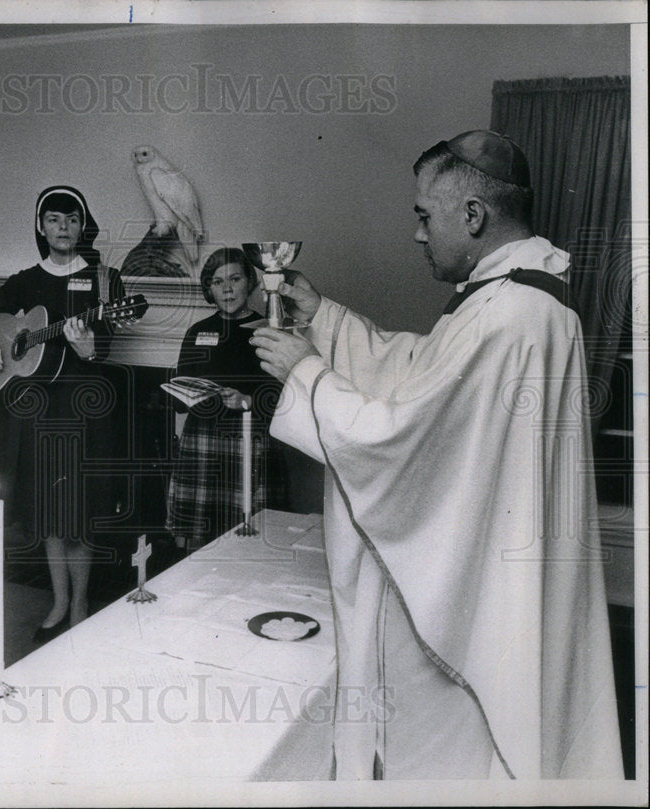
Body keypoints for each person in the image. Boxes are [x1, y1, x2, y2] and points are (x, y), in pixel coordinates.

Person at [251, 131, 623, 779]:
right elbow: (424, 372)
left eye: (425, 215)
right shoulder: (520, 300)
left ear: (473, 215)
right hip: (503, 561)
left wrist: (307, 374)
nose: (419, 234)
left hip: (474, 595)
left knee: (452, 761)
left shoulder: (510, 315)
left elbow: (408, 440)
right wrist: (326, 317)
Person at [0, 185, 125, 643]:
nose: (64, 228)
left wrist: (89, 345)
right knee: (50, 512)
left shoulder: (103, 280)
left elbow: (107, 344)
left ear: (83, 226)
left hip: (83, 408)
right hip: (39, 410)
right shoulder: (25, 279)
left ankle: (79, 603)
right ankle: (58, 600)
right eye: (54, 219)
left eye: (72, 220)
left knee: (77, 512)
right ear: (41, 226)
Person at [165, 247, 285, 551]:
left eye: (234, 278)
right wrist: (182, 393)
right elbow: (179, 400)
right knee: (199, 534)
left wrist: (248, 400)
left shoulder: (267, 330)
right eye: (217, 282)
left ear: (250, 281)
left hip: (250, 440)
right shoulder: (198, 332)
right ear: (209, 288)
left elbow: (284, 395)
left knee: (250, 532)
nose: (227, 288)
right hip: (202, 441)